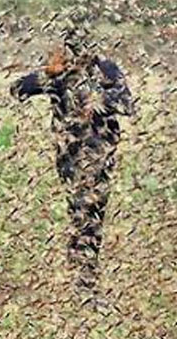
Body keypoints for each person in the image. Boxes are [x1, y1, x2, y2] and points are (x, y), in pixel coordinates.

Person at [9, 31, 135, 295]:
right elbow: (18, 89)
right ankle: (81, 280)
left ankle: (84, 280)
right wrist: (47, 72)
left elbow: (126, 104)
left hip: (100, 156)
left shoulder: (107, 70)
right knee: (80, 214)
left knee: (90, 216)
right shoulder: (59, 75)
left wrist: (97, 100)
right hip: (70, 158)